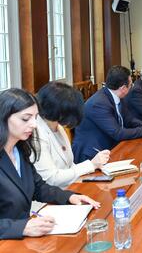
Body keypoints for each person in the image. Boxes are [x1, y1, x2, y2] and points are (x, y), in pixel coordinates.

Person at [0, 88, 100, 240]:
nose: (34, 125)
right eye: (26, 119)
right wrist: (22, 227)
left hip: (22, 240)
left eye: (35, 117)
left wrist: (69, 197)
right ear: (3, 117)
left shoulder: (19, 149)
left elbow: (38, 187)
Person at [72, 66, 142, 163]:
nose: (132, 87)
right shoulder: (99, 104)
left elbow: (129, 119)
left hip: (110, 147)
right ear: (123, 88)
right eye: (131, 85)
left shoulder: (117, 95)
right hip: (92, 155)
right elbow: (117, 133)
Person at [33, 82, 110, 188]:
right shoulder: (36, 134)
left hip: (69, 188)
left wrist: (93, 167)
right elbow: (51, 179)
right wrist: (91, 164)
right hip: (51, 194)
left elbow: (69, 166)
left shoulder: (58, 126)